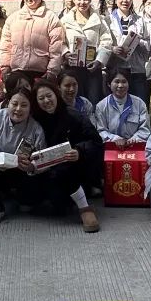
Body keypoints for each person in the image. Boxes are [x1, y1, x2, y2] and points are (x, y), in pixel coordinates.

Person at [32, 81, 103, 232]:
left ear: (56, 94)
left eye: (49, 96)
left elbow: (96, 141)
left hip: (74, 166)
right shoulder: (35, 119)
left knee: (65, 171)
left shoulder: (73, 115)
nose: (46, 101)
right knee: (52, 203)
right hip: (46, 170)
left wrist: (79, 151)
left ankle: (85, 208)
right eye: (41, 98)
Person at [0, 89, 46, 226]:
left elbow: (42, 157)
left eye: (24, 105)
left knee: (28, 203)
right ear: (7, 103)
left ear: (31, 108)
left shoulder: (36, 128)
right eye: (14, 104)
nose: (18, 109)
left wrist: (31, 166)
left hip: (22, 171)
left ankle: (21, 198)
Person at [0, 0, 65, 82]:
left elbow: (56, 47)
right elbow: (5, 45)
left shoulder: (51, 18)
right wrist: (5, 67)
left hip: (41, 73)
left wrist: (52, 71)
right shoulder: (13, 18)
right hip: (16, 71)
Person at [61, 0, 112, 105]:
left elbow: (106, 41)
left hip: (92, 68)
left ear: (90, 0)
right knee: (74, 101)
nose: (82, 2)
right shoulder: (65, 20)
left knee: (93, 100)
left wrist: (99, 60)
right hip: (72, 68)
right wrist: (66, 54)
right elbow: (60, 41)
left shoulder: (99, 19)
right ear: (74, 0)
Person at [107, 0, 151, 103]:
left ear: (132, 0)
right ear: (115, 0)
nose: (125, 0)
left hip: (137, 70)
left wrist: (138, 42)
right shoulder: (107, 20)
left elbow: (149, 45)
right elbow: (103, 44)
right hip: (117, 70)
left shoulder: (140, 20)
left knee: (139, 104)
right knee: (118, 104)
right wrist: (113, 49)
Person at [94, 70, 151, 147]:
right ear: (109, 84)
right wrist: (115, 138)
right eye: (117, 82)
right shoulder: (101, 106)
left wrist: (134, 139)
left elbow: (145, 129)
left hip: (135, 147)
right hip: (110, 147)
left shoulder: (139, 104)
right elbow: (100, 131)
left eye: (124, 82)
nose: (120, 85)